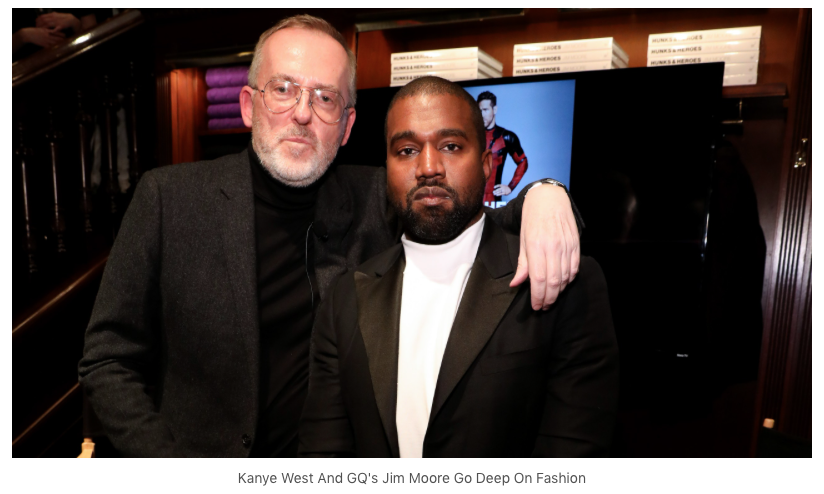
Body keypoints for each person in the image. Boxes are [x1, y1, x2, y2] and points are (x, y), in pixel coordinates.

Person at [78, 15, 583, 458]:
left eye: (325, 97)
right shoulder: (168, 200)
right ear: (249, 106)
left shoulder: (380, 196)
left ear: (346, 126)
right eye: (283, 89)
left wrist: (546, 193)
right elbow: (107, 357)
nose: (302, 113)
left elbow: (475, 220)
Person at [299, 77, 618, 458]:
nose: (428, 167)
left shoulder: (561, 280)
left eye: (450, 146)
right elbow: (324, 457)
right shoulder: (345, 299)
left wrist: (544, 188)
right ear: (386, 169)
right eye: (406, 150)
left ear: (485, 165)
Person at [477, 91, 528, 204]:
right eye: (479, 111)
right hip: (473, 202)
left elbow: (523, 162)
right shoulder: (471, 136)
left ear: (494, 110)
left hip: (494, 202)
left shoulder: (506, 137)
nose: (482, 115)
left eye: (485, 110)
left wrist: (510, 187)